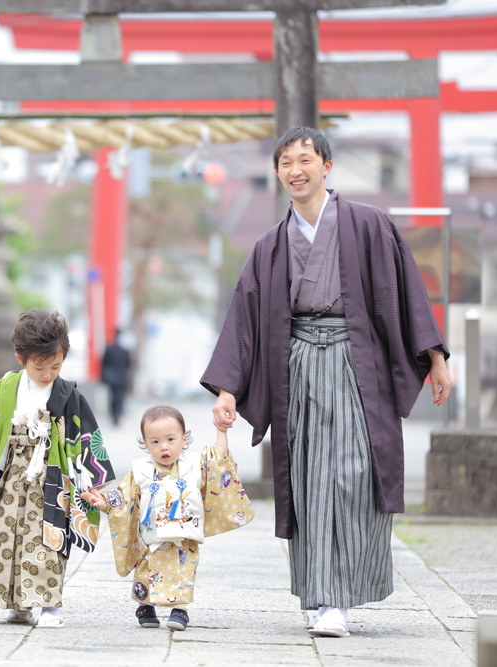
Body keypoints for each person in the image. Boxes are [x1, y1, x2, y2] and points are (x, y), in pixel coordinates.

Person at [200, 127, 452, 638]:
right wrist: (228, 389)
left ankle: (347, 589)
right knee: (312, 479)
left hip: (358, 363)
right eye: (286, 162)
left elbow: (403, 291)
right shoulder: (271, 245)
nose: (296, 169)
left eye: (305, 159)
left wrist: (435, 358)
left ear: (327, 166)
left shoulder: (368, 225)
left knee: (357, 475)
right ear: (277, 173)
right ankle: (324, 600)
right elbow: (245, 320)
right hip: (298, 368)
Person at [0, 310, 115, 627]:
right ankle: (17, 603)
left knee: (47, 540)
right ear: (21, 358)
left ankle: (48, 606)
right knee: (7, 537)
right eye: (39, 366)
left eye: (55, 366)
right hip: (11, 476)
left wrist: (91, 482)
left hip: (51, 477)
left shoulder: (68, 394)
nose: (47, 374)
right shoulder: (6, 388)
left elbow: (83, 437)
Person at [81, 406, 254, 631]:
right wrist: (105, 502)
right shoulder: (140, 470)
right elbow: (125, 497)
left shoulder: (195, 465)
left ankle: (180, 609)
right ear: (145, 443)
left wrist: (221, 431)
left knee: (183, 570)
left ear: (184, 439)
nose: (163, 446)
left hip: (184, 536)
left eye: (170, 439)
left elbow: (218, 462)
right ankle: (145, 605)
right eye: (155, 442)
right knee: (146, 569)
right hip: (150, 536)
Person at [101, 329, 132, 426]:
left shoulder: (109, 348)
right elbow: (128, 364)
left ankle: (113, 415)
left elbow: (104, 363)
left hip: (111, 378)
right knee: (120, 397)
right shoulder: (125, 350)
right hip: (122, 377)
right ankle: (118, 414)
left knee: (112, 397)